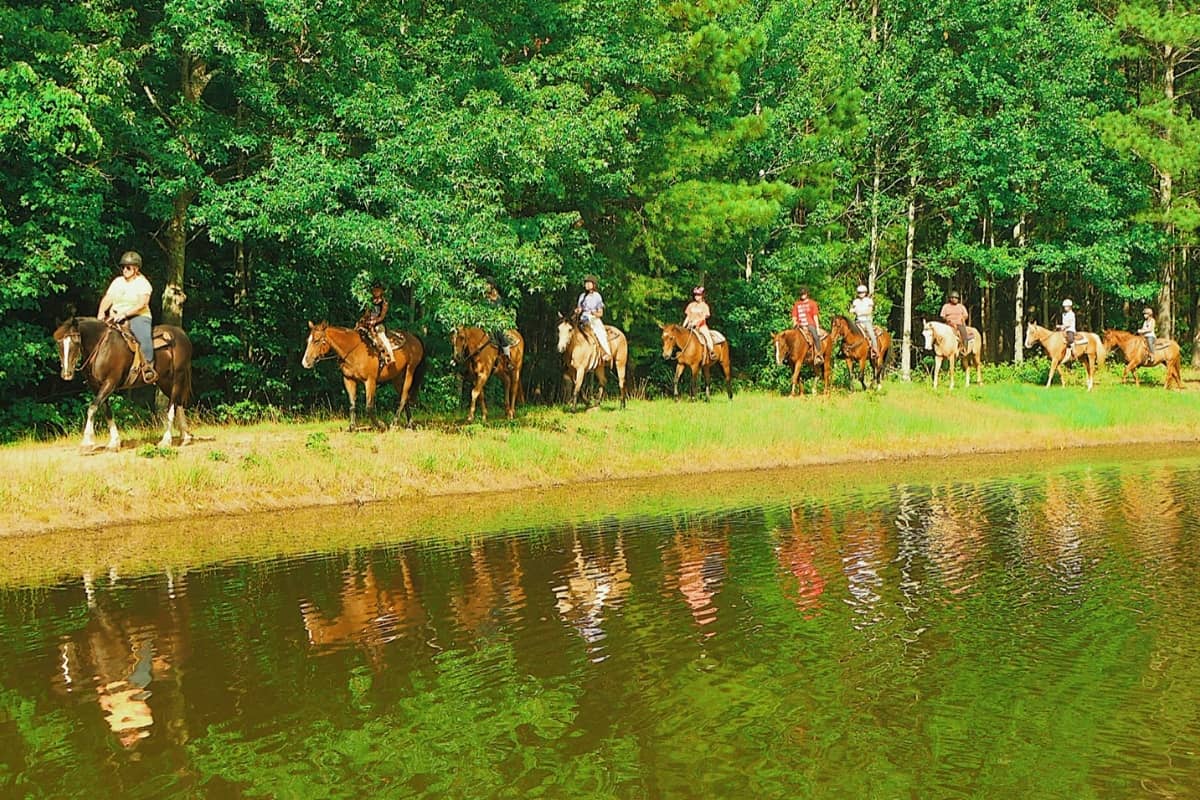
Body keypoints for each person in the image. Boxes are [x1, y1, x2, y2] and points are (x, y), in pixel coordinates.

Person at [98, 251, 157, 383]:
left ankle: (148, 366)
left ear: (136, 269)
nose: (125, 270)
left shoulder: (143, 283)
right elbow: (108, 298)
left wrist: (124, 314)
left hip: (138, 316)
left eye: (128, 267)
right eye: (123, 267)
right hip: (115, 316)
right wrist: (101, 313)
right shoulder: (117, 282)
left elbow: (142, 303)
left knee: (143, 336)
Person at [358, 282, 395, 365]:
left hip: (379, 324)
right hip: (369, 323)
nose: (376, 292)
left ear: (381, 291)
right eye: (374, 290)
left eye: (378, 290)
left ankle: (391, 356)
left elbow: (382, 316)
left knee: (382, 336)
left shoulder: (384, 303)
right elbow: (367, 313)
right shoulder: (370, 301)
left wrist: (374, 321)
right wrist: (364, 319)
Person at [577, 275, 611, 360]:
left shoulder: (597, 296)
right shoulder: (582, 296)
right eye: (586, 283)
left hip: (593, 319)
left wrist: (594, 313)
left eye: (589, 283)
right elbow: (579, 308)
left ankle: (606, 352)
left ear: (593, 285)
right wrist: (577, 310)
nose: (587, 285)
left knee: (600, 332)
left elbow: (601, 313)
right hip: (582, 318)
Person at [683, 286, 716, 360]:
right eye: (695, 295)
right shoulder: (691, 305)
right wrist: (683, 326)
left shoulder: (704, 306)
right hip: (690, 326)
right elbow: (688, 317)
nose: (696, 296)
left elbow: (703, 317)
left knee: (707, 336)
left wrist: (696, 323)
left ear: (702, 296)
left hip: (701, 326)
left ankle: (711, 351)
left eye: (698, 295)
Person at [791, 287, 823, 364]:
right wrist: (794, 323)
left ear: (807, 294)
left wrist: (817, 328)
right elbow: (794, 316)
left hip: (810, 324)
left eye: (804, 293)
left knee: (815, 336)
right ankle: (789, 356)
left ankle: (819, 355)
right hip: (799, 325)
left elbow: (815, 316)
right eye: (801, 294)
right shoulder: (797, 304)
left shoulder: (812, 303)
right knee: (791, 338)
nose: (802, 295)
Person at [849, 284, 879, 359]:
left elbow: (869, 311)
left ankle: (874, 350)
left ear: (865, 293)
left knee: (871, 334)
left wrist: (859, 312)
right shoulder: (856, 301)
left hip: (866, 321)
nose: (860, 294)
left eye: (862, 292)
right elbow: (852, 310)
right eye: (859, 292)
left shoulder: (868, 301)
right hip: (857, 321)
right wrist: (852, 311)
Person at [485, 277, 512, 359]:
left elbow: (499, 312)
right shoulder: (484, 297)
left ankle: (507, 358)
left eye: (487, 284)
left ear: (492, 286)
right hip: (485, 322)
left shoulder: (497, 298)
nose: (485, 286)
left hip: (496, 322)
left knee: (500, 333)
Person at [938, 291, 970, 355]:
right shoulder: (946, 306)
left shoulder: (961, 307)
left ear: (958, 299)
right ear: (950, 299)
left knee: (964, 334)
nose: (954, 299)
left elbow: (966, 315)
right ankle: (940, 349)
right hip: (948, 324)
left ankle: (964, 349)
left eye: (956, 298)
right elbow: (942, 316)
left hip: (959, 324)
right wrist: (947, 320)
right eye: (953, 298)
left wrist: (963, 319)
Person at [1057, 299, 1077, 363]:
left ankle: (1073, 351)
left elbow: (1069, 324)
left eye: (1066, 306)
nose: (1065, 308)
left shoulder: (1071, 314)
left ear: (1070, 307)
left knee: (1070, 339)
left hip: (1070, 329)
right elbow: (1064, 323)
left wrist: (1062, 326)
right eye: (1064, 307)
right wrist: (1060, 326)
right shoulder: (1064, 314)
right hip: (1064, 329)